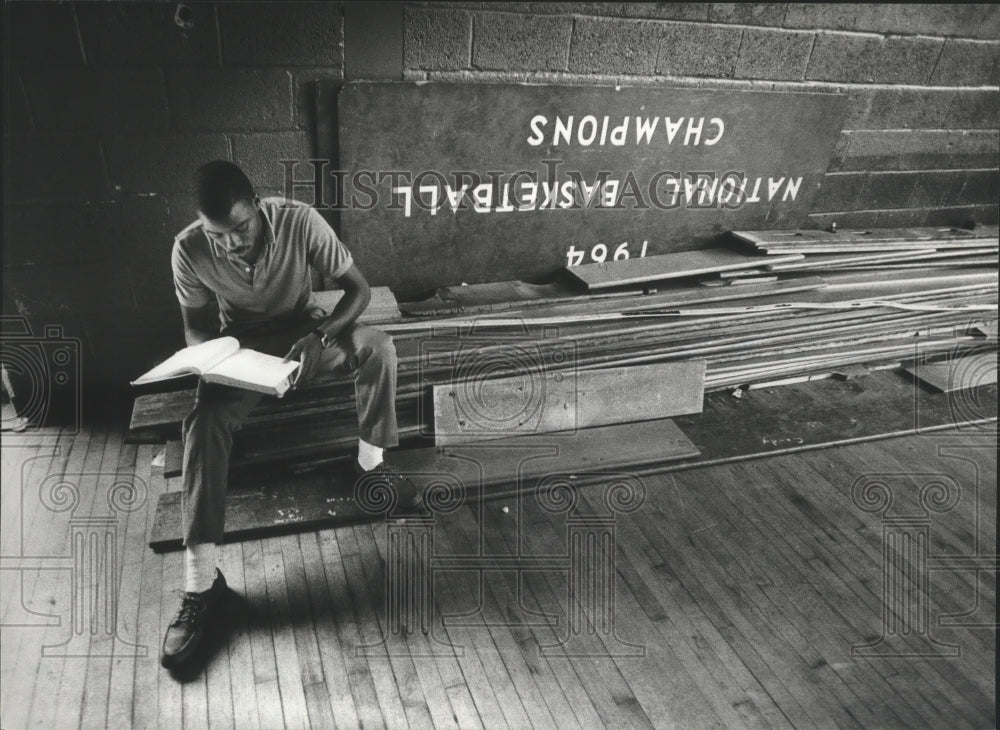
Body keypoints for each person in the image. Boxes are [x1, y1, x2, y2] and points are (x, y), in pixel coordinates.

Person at [160, 160, 416, 670]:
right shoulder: (188, 248)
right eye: (219, 235)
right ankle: (200, 585)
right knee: (202, 423)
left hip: (309, 333)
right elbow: (195, 328)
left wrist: (321, 338)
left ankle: (369, 466)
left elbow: (358, 290)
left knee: (381, 348)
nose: (231, 243)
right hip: (244, 349)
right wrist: (217, 362)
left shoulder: (299, 220)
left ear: (258, 207)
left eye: (241, 229)